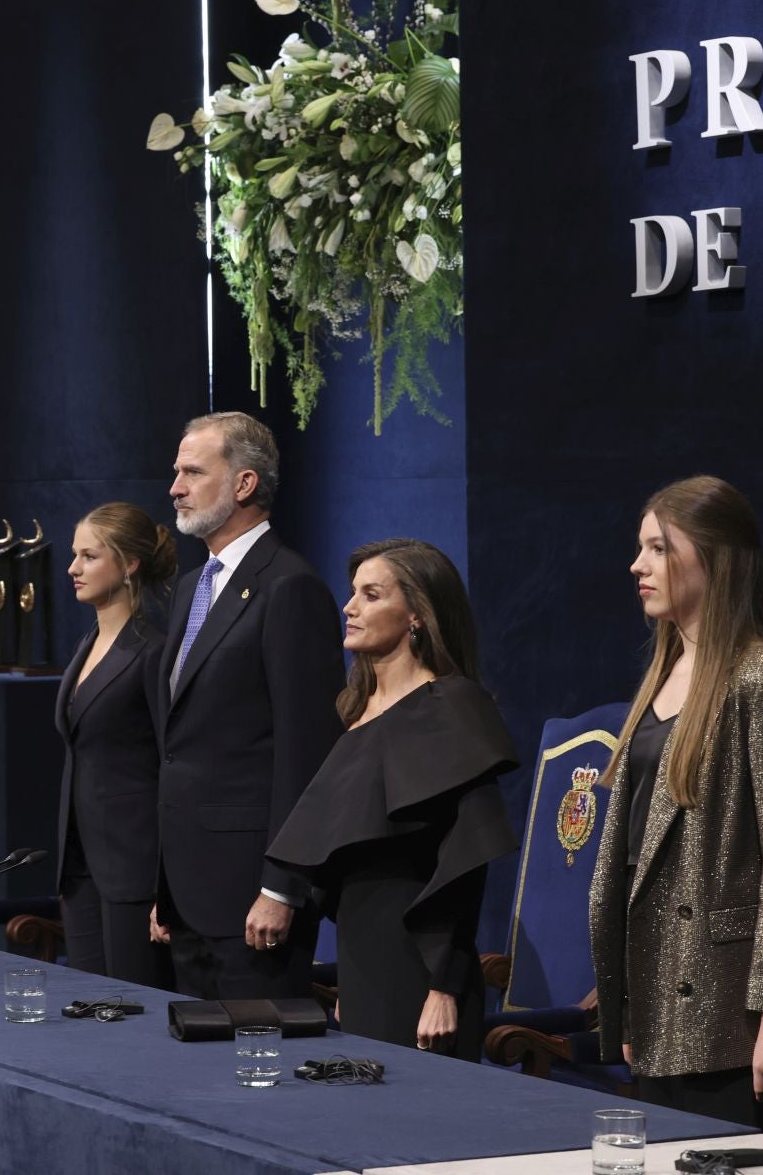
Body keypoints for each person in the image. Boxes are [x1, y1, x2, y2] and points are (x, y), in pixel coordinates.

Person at [588, 476, 763, 1134]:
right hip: (660, 983)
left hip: (728, 1006)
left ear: (715, 559)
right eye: (641, 548)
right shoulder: (664, 671)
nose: (638, 565)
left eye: (658, 548)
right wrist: (631, 1003)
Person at [267, 539, 518, 1059]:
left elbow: (465, 865)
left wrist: (444, 988)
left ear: (416, 616)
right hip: (363, 967)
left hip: (422, 971)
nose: (350, 607)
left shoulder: (450, 706)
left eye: (371, 595)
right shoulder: (354, 713)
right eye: (352, 593)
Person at [153, 411, 343, 999]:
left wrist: (282, 888)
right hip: (187, 895)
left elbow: (307, 751)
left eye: (192, 471)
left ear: (244, 484)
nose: (175, 487)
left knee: (254, 1074)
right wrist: (166, 887)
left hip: (252, 898)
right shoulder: (192, 587)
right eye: (176, 471)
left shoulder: (289, 586)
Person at [53, 502, 177, 983]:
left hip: (135, 868)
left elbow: (171, 763)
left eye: (89, 556)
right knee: (88, 1012)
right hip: (80, 862)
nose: (73, 569)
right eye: (74, 555)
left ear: (128, 564)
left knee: (134, 1010)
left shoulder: (153, 650)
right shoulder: (87, 642)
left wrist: (165, 885)